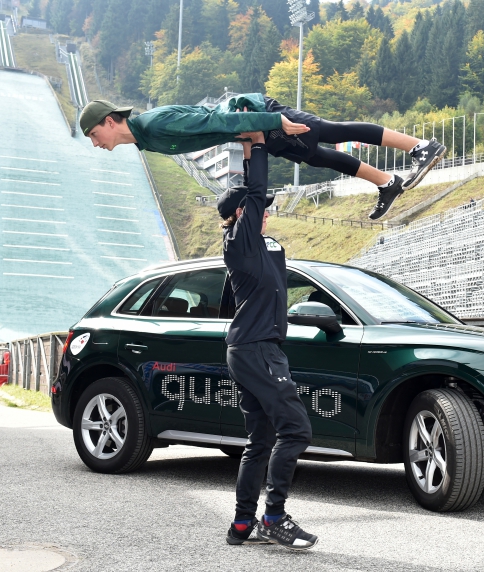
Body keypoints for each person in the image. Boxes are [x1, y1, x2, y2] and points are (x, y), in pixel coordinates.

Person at [79, 95, 446, 220]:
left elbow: (214, 120)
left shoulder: (155, 125)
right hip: (249, 127)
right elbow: (217, 129)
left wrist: (272, 121)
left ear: (109, 121)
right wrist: (248, 144)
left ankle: (419, 146)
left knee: (330, 132)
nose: (96, 144)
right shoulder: (147, 139)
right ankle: (387, 182)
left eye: (94, 135)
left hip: (256, 114)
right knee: (318, 157)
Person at [218, 127, 317, 551]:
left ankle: (242, 524)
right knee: (296, 431)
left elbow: (253, 192)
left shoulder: (256, 245)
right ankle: (274, 518)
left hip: (253, 347)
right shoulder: (241, 242)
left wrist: (246, 148)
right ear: (243, 213)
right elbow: (255, 190)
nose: (268, 213)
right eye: (260, 209)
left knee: (259, 441)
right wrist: (259, 145)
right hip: (257, 349)